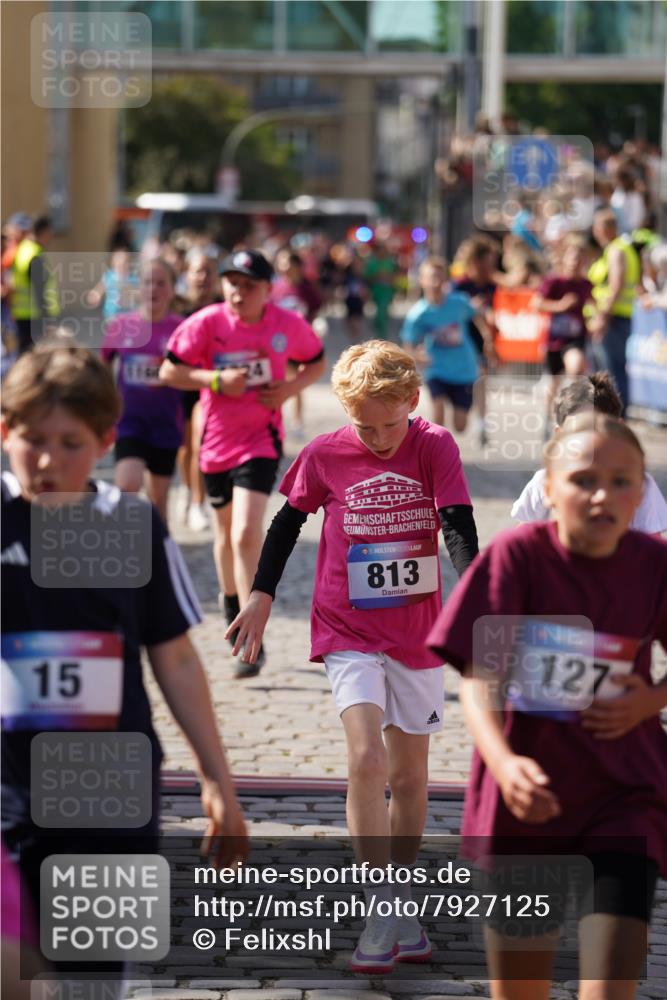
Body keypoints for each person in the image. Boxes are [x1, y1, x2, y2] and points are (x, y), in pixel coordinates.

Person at [226, 341, 479, 972]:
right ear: (345, 415)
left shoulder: (434, 446)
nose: (380, 437)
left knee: (410, 780)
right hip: (347, 626)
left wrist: (474, 599)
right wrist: (260, 593)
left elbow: (456, 525)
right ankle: (380, 907)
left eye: (391, 423)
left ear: (412, 402)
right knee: (366, 757)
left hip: (416, 632)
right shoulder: (326, 452)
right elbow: (287, 522)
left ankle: (403, 897)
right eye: (365, 426)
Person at [1, 344, 248, 991]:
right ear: (4, 432)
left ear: (107, 440)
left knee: (91, 980)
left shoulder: (131, 527)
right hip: (6, 791)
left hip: (108, 796)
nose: (49, 461)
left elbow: (176, 659)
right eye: (32, 441)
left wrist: (216, 779)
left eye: (71, 443)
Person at [429, 413, 667, 1000]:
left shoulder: (654, 565)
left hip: (625, 797)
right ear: (549, 488)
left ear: (642, 492)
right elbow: (480, 681)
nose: (602, 495)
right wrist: (505, 764)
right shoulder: (517, 558)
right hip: (526, 804)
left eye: (621, 481)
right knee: (521, 990)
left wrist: (653, 700)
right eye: (584, 479)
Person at [159, 249, 325, 678]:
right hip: (215, 443)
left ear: (268, 290)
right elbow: (168, 371)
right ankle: (231, 603)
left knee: (246, 531)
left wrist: (288, 389)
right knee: (224, 535)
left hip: (260, 441)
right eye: (232, 283)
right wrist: (213, 380)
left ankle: (253, 627)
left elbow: (317, 360)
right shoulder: (207, 323)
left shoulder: (286, 325)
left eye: (249, 285)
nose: (238, 292)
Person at [511, 372, 667, 534]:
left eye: (595, 429)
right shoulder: (543, 481)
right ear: (559, 434)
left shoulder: (640, 484)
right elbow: (522, 539)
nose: (586, 441)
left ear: (619, 429)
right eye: (575, 432)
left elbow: (653, 547)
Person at [101, 258, 184, 526]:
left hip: (167, 425)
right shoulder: (120, 325)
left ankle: (161, 560)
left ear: (172, 289)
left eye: (161, 283)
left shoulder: (182, 329)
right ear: (139, 287)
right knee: (127, 486)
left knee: (158, 504)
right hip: (129, 423)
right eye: (148, 282)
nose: (153, 289)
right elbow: (102, 368)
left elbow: (196, 373)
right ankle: (125, 551)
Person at [401, 255, 493, 436]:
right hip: (437, 369)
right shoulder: (418, 314)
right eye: (431, 277)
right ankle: (439, 456)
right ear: (422, 281)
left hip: (464, 370)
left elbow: (476, 314)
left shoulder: (458, 302)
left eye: (439, 278)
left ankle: (472, 420)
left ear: (445, 280)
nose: (435, 283)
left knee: (460, 426)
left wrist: (487, 336)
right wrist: (418, 356)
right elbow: (408, 345)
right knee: (438, 416)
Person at [176, 250, 223, 532]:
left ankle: (197, 503)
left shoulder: (224, 307)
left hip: (212, 384)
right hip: (182, 383)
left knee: (199, 444)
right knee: (184, 447)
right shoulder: (178, 308)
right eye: (198, 271)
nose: (203, 277)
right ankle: (186, 487)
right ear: (187, 274)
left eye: (209, 271)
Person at [531, 235, 593, 435]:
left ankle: (573, 416)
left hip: (575, 339)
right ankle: (547, 421)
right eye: (572, 257)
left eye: (580, 258)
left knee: (575, 368)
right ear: (564, 258)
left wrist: (595, 317)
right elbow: (536, 303)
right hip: (554, 341)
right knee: (552, 383)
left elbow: (593, 306)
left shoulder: (586, 284)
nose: (575, 262)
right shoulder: (554, 281)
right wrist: (560, 306)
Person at [588, 208, 641, 415]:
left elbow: (616, 285)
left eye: (597, 227)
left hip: (614, 319)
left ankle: (614, 416)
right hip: (617, 317)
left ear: (605, 229)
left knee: (611, 371)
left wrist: (603, 317)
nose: (594, 232)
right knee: (611, 369)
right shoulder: (620, 248)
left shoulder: (616, 250)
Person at [271, 248, 324, 440]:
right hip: (277, 345)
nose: (284, 267)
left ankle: (297, 421)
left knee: (296, 384)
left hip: (300, 346)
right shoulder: (274, 288)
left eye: (288, 263)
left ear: (297, 266)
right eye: (281, 262)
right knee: (277, 382)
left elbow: (316, 311)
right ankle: (276, 420)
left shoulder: (307, 289)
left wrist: (314, 330)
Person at [453, 236, 499, 446]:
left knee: (482, 379)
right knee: (465, 383)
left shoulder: (494, 285)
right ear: (476, 261)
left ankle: (482, 424)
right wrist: (470, 306)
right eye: (488, 260)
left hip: (483, 339)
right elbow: (449, 311)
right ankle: (459, 410)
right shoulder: (460, 286)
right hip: (461, 341)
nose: (492, 265)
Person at [10, 215, 60, 355]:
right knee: (35, 356)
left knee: (25, 353)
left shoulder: (24, 249)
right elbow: (39, 289)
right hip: (34, 315)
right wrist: (47, 319)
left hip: (22, 313)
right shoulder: (34, 255)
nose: (51, 236)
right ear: (43, 232)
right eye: (50, 232)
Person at [364, 243, 398, 339]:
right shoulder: (372, 263)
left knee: (382, 313)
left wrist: (390, 281)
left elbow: (394, 276)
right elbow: (367, 277)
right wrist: (377, 277)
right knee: (379, 313)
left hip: (386, 292)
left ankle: (382, 336)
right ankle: (378, 328)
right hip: (375, 291)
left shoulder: (390, 262)